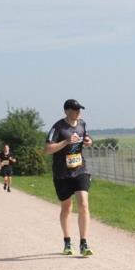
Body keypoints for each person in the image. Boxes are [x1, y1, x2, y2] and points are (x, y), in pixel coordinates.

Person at [44, 99, 94, 256]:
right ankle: (67, 241)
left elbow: (87, 138)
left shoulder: (82, 124)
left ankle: (84, 243)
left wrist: (88, 141)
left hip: (80, 169)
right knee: (67, 207)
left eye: (79, 109)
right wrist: (66, 141)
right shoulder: (58, 127)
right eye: (75, 109)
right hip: (62, 173)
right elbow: (47, 149)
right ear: (66, 111)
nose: (78, 112)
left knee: (83, 204)